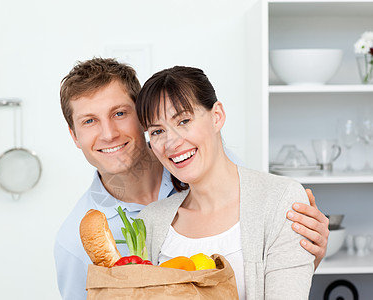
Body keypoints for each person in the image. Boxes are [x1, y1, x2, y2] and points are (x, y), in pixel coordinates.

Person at [54, 58, 329, 300]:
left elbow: (267, 239)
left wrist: (300, 256)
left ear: (140, 119)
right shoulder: (85, 238)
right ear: (74, 135)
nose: (109, 133)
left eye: (119, 113)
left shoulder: (206, 161)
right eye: (89, 121)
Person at [136, 65, 317, 299]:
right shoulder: (149, 222)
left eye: (183, 120)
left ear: (217, 116)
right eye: (157, 131)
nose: (171, 143)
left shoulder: (281, 200)